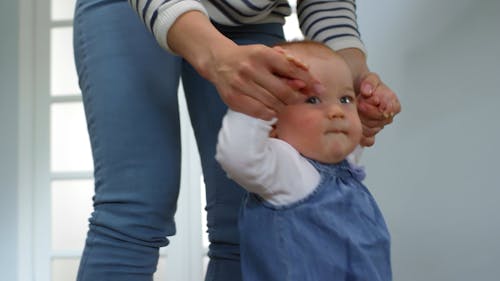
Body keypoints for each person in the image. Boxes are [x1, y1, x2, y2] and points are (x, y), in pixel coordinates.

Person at [73, 0, 400, 280]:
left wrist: (350, 76)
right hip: (133, 9)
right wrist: (214, 55)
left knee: (244, 220)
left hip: (252, 19)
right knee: (135, 209)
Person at [216, 40, 392, 281]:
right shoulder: (285, 171)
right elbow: (237, 156)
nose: (337, 111)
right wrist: (254, 104)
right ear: (272, 122)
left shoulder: (343, 165)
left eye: (345, 99)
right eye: (313, 100)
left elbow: (349, 140)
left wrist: (371, 107)